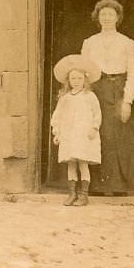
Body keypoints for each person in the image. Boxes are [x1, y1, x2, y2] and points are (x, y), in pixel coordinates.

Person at [81, 0, 134, 195]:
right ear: (97, 17)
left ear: (117, 17)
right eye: (103, 14)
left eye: (111, 14)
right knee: (98, 134)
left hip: (119, 90)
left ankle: (119, 186)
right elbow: (83, 71)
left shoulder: (128, 43)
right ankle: (98, 185)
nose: (106, 18)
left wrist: (127, 100)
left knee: (120, 135)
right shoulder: (89, 42)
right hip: (97, 90)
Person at [51, 54, 102, 206]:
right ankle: (72, 194)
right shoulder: (65, 98)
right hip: (69, 134)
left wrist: (94, 128)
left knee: (82, 162)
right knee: (71, 163)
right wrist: (57, 132)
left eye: (79, 79)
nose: (76, 82)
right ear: (68, 81)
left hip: (84, 134)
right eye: (73, 79)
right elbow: (58, 115)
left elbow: (97, 113)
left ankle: (83, 195)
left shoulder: (90, 96)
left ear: (85, 80)